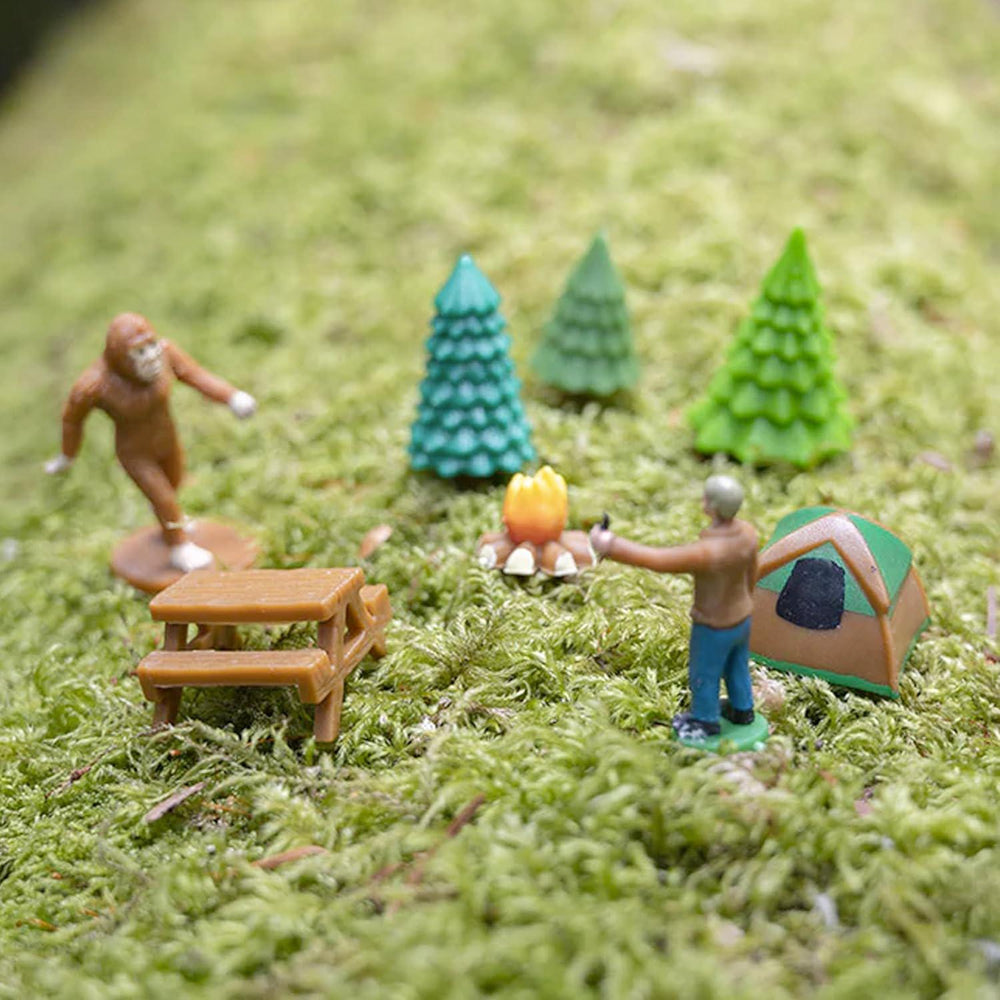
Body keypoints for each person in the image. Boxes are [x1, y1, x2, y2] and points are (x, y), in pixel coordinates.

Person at [45, 313, 256, 572]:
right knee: (164, 498)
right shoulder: (95, 384)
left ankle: (167, 515)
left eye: (150, 344)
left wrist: (231, 397)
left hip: (168, 440)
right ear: (119, 356)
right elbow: (72, 421)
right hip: (136, 453)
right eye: (138, 351)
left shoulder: (166, 354)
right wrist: (67, 455)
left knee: (175, 484)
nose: (150, 355)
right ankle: (178, 545)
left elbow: (196, 375)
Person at [589, 475, 758, 742]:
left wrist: (611, 545)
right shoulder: (748, 534)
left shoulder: (709, 552)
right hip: (742, 618)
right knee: (737, 666)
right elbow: (752, 572)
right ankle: (743, 709)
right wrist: (749, 599)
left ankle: (705, 720)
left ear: (713, 507)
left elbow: (659, 560)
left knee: (705, 672)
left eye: (706, 498)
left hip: (714, 625)